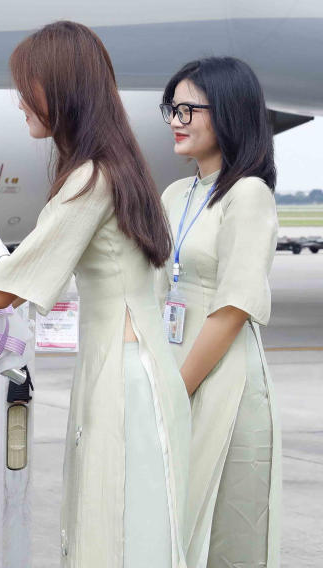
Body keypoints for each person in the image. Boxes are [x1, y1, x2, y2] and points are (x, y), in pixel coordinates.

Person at [0, 21, 190, 567]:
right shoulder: (116, 170)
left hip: (123, 374)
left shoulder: (90, 181)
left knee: (114, 527)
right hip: (130, 365)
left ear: (63, 89)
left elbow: (0, 291)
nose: (20, 102)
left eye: (28, 87)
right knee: (124, 523)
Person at [158, 57, 281, 568]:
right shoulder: (173, 194)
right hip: (174, 365)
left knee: (228, 528)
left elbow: (233, 309)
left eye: (189, 108)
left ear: (229, 112)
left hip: (223, 372)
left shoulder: (248, 195)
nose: (176, 120)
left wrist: (173, 392)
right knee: (171, 519)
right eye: (172, 108)